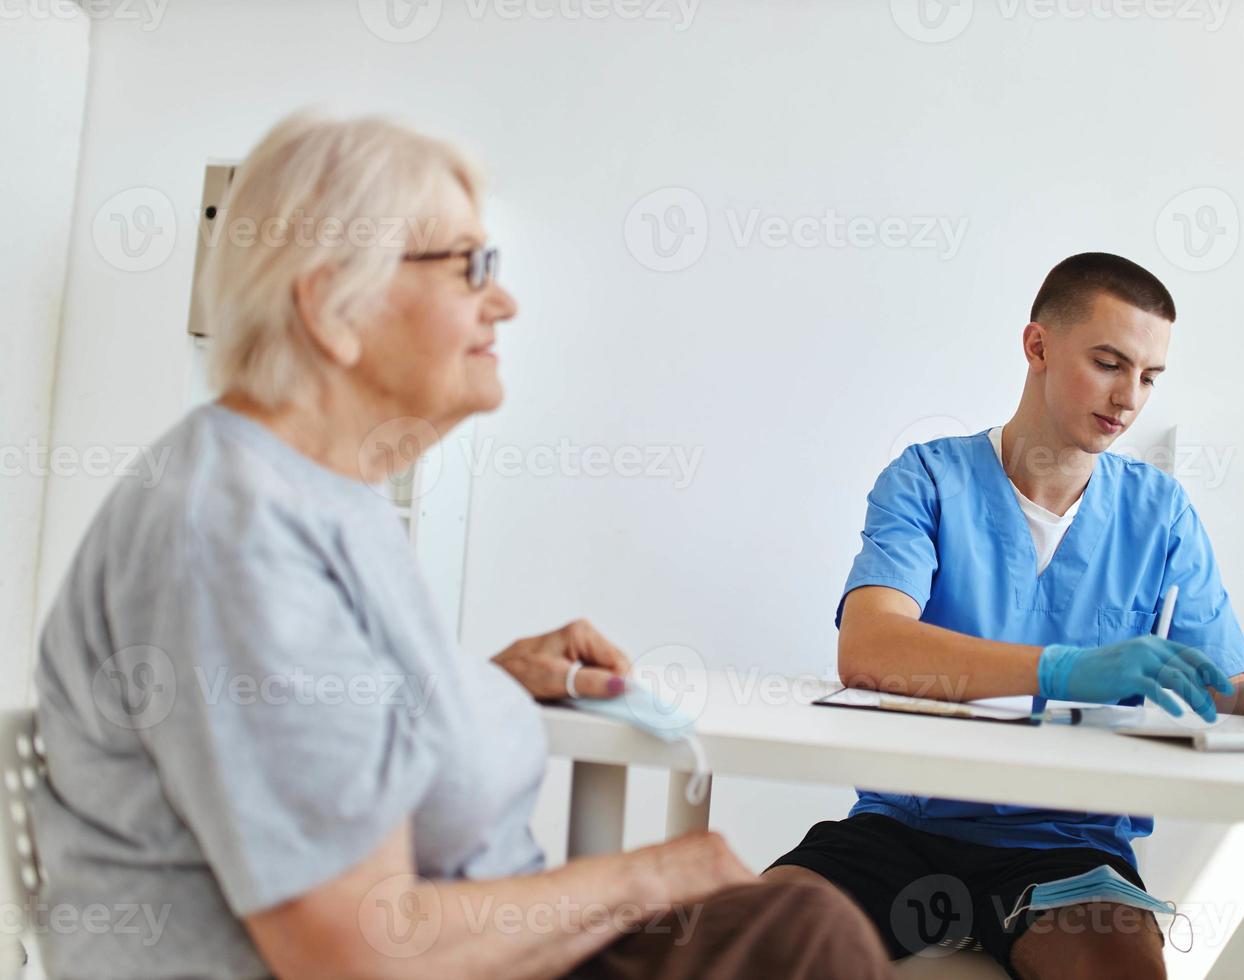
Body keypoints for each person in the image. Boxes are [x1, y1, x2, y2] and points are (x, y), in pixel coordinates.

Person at [31, 112, 895, 980]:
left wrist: (477, 685)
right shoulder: (233, 529)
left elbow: (321, 721)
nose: (505, 301)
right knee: (802, 934)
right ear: (333, 307)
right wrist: (656, 873)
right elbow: (355, 951)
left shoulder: (327, 498)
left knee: (798, 923)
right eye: (470, 266)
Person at [762, 252, 1244, 980]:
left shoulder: (1158, 513)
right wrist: (1064, 668)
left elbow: (1226, 689)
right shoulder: (927, 480)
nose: (1130, 397)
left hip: (1066, 844)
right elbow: (872, 645)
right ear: (1037, 346)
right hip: (906, 828)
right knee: (736, 944)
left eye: (1149, 376)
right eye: (1109, 363)